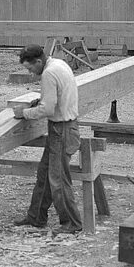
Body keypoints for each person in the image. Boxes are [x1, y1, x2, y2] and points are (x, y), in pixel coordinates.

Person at [12, 45, 83, 234]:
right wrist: (41, 101)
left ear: (38, 61)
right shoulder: (58, 63)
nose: (31, 72)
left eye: (30, 68)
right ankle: (36, 217)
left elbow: (48, 110)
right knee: (44, 174)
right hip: (62, 128)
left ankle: (72, 223)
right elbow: (54, 99)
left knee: (58, 180)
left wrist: (24, 113)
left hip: (62, 129)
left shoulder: (49, 73)